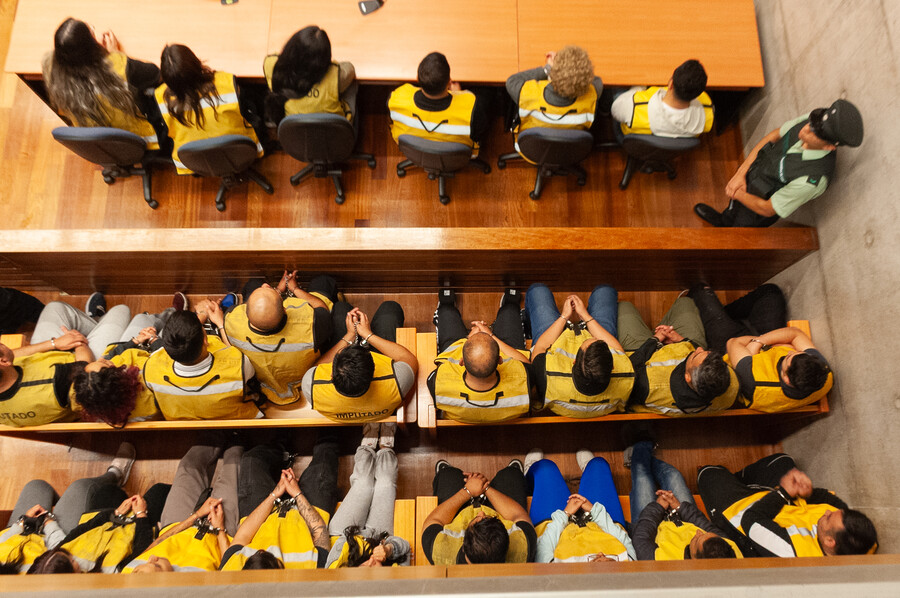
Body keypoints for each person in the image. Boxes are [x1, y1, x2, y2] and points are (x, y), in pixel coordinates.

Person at [694, 99, 864, 227]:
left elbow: (767, 208)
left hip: (756, 210)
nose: (806, 128)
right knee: (732, 210)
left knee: (737, 233)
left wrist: (736, 192)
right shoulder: (810, 122)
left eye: (815, 132)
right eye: (811, 123)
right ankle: (724, 220)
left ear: (829, 146)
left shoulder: (812, 179)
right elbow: (773, 136)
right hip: (751, 176)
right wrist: (740, 175)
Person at [698, 454, 878, 558]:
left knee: (708, 473)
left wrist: (783, 493)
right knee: (782, 461)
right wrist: (806, 491)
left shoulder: (789, 552)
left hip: (740, 513)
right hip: (781, 500)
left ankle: (731, 482)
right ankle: (740, 481)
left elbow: (750, 520)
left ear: (830, 542)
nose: (828, 512)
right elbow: (833, 502)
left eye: (829, 517)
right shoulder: (863, 542)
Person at [0, 442, 138, 573]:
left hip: (19, 536)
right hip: (57, 547)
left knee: (36, 486)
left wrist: (21, 524)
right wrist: (49, 523)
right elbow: (58, 556)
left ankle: (64, 504)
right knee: (80, 488)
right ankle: (114, 474)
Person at [123, 439, 244, 573]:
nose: (152, 558)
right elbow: (230, 566)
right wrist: (220, 530)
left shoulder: (130, 574)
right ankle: (237, 434)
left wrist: (196, 516)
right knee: (233, 464)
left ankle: (215, 430)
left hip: (176, 525)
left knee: (188, 466)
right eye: (157, 566)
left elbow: (152, 547)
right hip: (218, 538)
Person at [219, 435, 339, 570]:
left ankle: (280, 446)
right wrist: (297, 494)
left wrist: (275, 493)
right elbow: (319, 533)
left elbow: (243, 535)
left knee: (252, 459)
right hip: (307, 516)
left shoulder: (233, 570)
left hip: (261, 518)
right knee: (325, 456)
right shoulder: (311, 574)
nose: (262, 550)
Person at [42, 18, 161, 149]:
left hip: (101, 141)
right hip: (141, 139)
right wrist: (116, 54)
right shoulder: (118, 67)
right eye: (92, 33)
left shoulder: (50, 72)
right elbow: (155, 73)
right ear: (91, 47)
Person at [224, 272, 335, 407]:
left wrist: (277, 291)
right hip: (301, 376)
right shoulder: (311, 324)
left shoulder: (231, 320)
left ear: (245, 312)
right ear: (285, 308)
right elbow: (321, 309)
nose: (266, 285)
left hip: (264, 380)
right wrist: (295, 289)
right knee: (322, 281)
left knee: (253, 283)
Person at [618, 296, 738, 416]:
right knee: (685, 302)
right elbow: (699, 352)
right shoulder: (729, 384)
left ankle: (651, 331)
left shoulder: (649, 387)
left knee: (625, 307)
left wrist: (656, 339)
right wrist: (681, 340)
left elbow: (631, 367)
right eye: (707, 352)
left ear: (687, 377)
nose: (699, 349)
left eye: (697, 355)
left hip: (641, 351)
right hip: (681, 345)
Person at [626, 433, 739, 560]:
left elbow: (641, 539)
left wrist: (657, 507)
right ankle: (639, 455)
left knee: (642, 478)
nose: (698, 532)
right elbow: (707, 526)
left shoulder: (666, 565)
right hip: (680, 516)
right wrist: (679, 507)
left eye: (697, 540)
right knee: (673, 475)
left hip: (650, 526)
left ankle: (640, 449)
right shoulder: (729, 552)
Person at [525, 284, 633, 417]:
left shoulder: (546, 378)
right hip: (585, 331)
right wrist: (586, 316)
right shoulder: (626, 376)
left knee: (538, 290)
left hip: (555, 342)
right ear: (612, 367)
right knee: (605, 290)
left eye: (586, 341)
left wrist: (564, 317)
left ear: (574, 361)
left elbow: (540, 347)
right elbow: (617, 349)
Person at [0, 299, 113, 427]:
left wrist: (53, 343)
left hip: (60, 370)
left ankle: (97, 323)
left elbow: (11, 356)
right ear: (4, 362)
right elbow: (86, 368)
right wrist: (77, 339)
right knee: (120, 312)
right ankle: (98, 321)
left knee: (55, 307)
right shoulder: (52, 382)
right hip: (84, 367)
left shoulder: (5, 372)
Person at [427, 289, 533, 423]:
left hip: (465, 351)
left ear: (461, 362)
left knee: (447, 313)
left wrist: (471, 337)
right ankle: (509, 307)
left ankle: (446, 307)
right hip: (502, 353)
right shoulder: (522, 382)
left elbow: (444, 360)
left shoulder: (438, 383)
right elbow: (527, 365)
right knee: (510, 312)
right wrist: (490, 335)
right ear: (500, 360)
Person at [155, 44, 263, 175]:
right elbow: (251, 111)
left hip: (197, 161)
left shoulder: (160, 97)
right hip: (240, 151)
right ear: (196, 63)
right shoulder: (226, 83)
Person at [303, 301, 417, 422]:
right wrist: (367, 335)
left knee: (341, 308)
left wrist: (350, 335)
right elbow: (408, 358)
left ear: (331, 375)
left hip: (343, 409)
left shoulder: (311, 387)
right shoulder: (397, 381)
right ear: (374, 368)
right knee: (389, 309)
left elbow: (316, 368)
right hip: (383, 403)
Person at [142, 309, 261, 420]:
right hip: (236, 421)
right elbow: (235, 354)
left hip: (182, 424)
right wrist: (220, 324)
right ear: (205, 339)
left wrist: (201, 317)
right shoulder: (238, 364)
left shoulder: (151, 366)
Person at [524, 450, 634, 563]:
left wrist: (565, 514)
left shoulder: (556, 576)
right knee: (598, 464)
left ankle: (528, 477)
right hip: (604, 525)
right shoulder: (629, 567)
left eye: (598, 560)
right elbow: (624, 541)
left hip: (556, 528)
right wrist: (594, 510)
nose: (600, 553)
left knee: (544, 468)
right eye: (608, 559)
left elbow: (543, 549)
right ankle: (589, 476)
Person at [325, 424, 410, 568]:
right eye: (375, 569)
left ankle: (368, 441)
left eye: (365, 567)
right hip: (379, 536)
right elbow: (406, 548)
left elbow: (341, 544)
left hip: (344, 535)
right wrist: (388, 550)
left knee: (363, 484)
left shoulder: (336, 575)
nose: (371, 561)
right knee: (385, 483)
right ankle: (386, 445)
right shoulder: (395, 582)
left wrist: (366, 541)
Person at [422, 459, 536, 565]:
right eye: (487, 517)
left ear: (463, 547)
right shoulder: (524, 548)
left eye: (477, 520)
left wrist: (468, 491)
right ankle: (516, 474)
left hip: (459, 514)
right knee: (511, 475)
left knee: (448, 475)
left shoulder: (440, 553)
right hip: (498, 509)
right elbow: (518, 515)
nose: (481, 513)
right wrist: (485, 487)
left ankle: (446, 475)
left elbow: (434, 520)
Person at [388, 52, 489, 155]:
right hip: (457, 157)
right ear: (449, 82)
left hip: (415, 152)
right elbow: (479, 134)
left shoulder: (397, 98)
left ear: (417, 79)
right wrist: (459, 94)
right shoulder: (471, 107)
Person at [506, 45, 602, 153]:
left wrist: (548, 69)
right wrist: (577, 71)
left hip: (530, 150)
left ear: (552, 75)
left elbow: (512, 81)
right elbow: (596, 80)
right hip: (569, 152)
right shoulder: (593, 93)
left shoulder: (528, 93)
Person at [263, 25, 357, 125]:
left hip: (293, 129)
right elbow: (350, 68)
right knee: (353, 85)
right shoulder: (336, 75)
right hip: (335, 131)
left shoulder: (271, 64)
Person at [611, 59, 713, 138]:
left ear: (671, 84)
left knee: (616, 89)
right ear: (699, 94)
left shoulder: (635, 106)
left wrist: (638, 86)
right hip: (675, 147)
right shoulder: (707, 110)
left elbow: (615, 111)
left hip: (632, 142)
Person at [686, 283, 787, 354]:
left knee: (701, 290)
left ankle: (718, 317)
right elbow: (794, 334)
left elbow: (732, 344)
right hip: (767, 343)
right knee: (770, 291)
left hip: (731, 347)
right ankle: (724, 314)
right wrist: (761, 341)